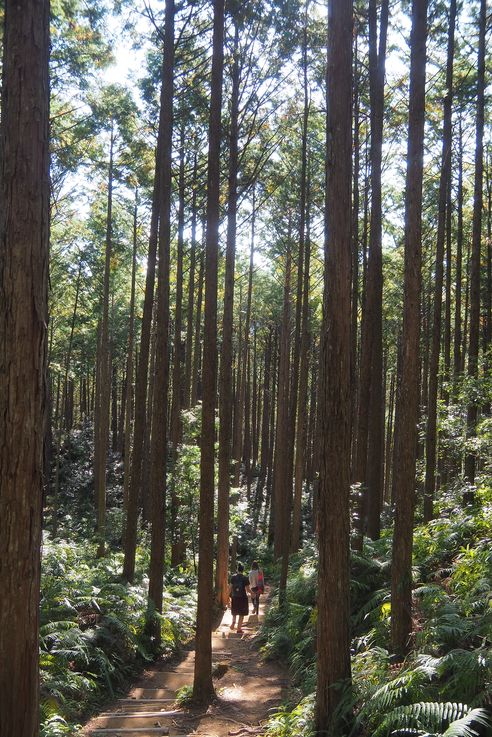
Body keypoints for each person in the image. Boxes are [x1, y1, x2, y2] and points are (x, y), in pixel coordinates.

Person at [229, 562, 250, 633]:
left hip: (234, 597)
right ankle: (239, 629)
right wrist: (252, 593)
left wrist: (228, 596)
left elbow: (230, 588)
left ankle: (233, 622)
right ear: (243, 570)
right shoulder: (245, 578)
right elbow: (247, 589)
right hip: (243, 598)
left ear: (237, 570)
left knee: (234, 611)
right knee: (242, 613)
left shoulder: (233, 577)